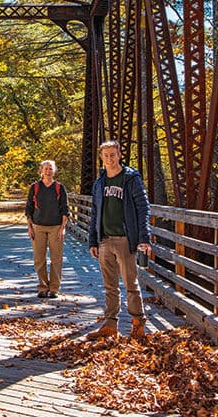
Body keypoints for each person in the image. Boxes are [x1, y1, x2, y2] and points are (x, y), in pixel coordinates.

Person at [87, 140, 151, 340]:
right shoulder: (100, 182)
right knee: (109, 286)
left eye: (112, 154)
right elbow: (95, 212)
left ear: (119, 155)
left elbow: (143, 207)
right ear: (101, 157)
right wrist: (93, 241)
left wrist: (143, 238)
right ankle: (110, 325)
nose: (109, 158)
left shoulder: (131, 179)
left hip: (125, 239)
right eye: (105, 155)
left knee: (131, 284)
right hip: (105, 239)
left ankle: (138, 323)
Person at [25, 160, 69, 299]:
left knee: (56, 259)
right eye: (46, 168)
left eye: (50, 169)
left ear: (54, 171)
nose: (48, 171)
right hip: (38, 226)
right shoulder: (35, 187)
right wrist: (30, 227)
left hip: (56, 227)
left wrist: (62, 228)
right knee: (39, 259)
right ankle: (43, 287)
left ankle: (54, 289)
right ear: (41, 171)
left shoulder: (59, 187)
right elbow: (29, 209)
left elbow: (65, 209)